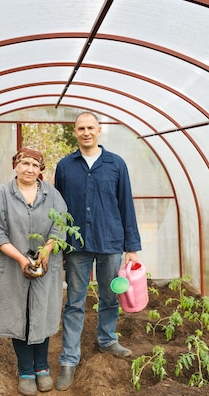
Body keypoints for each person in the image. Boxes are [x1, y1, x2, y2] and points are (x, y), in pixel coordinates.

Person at [54, 111, 142, 391]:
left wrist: (132, 247)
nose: (86, 132)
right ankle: (69, 359)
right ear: (75, 132)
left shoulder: (116, 164)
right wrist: (58, 243)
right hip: (77, 245)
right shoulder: (65, 166)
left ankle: (107, 340)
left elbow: (125, 203)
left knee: (109, 296)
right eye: (81, 128)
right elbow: (58, 210)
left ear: (100, 130)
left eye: (91, 127)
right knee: (74, 303)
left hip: (110, 242)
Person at [0, 147, 67, 396]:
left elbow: (60, 226)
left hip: (45, 265)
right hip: (13, 265)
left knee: (42, 312)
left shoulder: (52, 194)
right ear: (16, 166)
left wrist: (46, 251)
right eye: (25, 164)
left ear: (40, 169)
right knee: (18, 313)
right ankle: (25, 371)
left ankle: (42, 368)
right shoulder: (3, 194)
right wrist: (21, 258)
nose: (29, 169)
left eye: (35, 165)